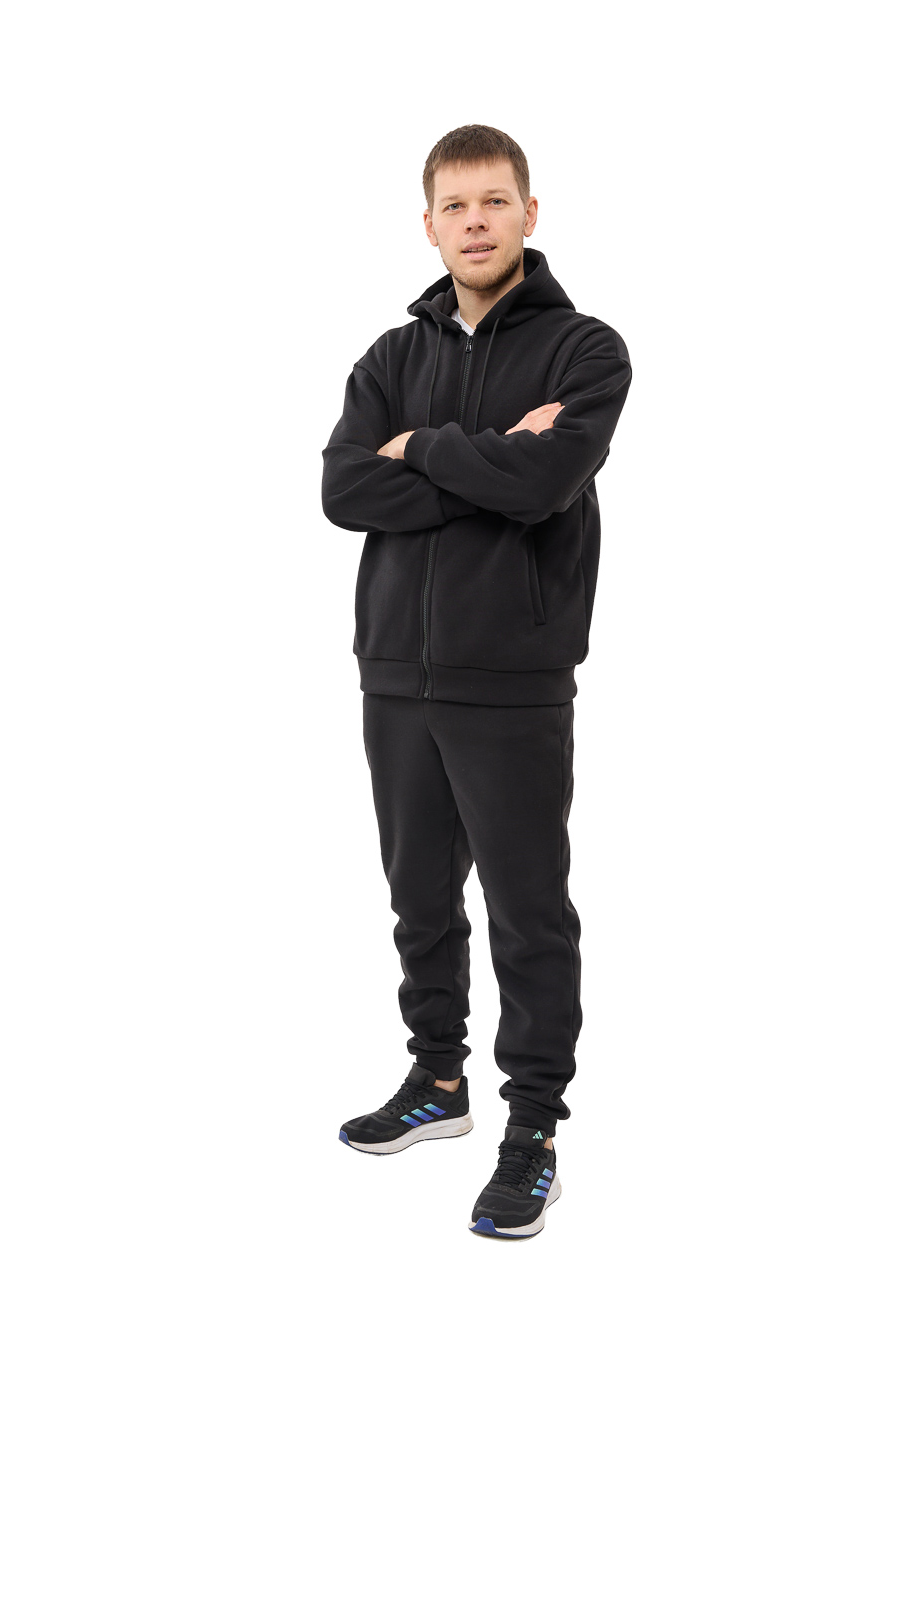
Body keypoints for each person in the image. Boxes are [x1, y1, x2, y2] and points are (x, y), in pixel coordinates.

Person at [321, 123, 632, 1238]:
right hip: (394, 673)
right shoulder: (388, 356)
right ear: (429, 225)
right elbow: (343, 489)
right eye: (455, 206)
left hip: (512, 674)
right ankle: (438, 1080)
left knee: (526, 910)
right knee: (417, 895)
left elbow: (546, 482)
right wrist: (491, 451)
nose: (476, 222)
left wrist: (420, 448)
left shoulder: (587, 350)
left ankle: (532, 1129)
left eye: (495, 201)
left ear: (529, 214)